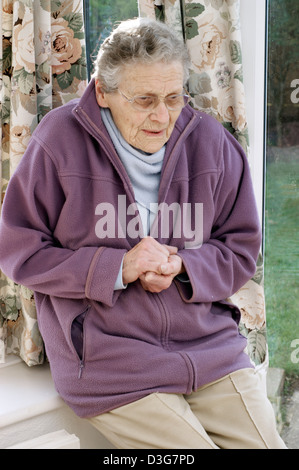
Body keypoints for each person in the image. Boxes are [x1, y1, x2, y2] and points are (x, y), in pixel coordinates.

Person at [0, 18, 286, 449]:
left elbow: (240, 247)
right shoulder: (58, 141)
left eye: (173, 98)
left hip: (208, 348)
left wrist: (184, 265)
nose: (162, 116)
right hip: (112, 360)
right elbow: (19, 251)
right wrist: (119, 267)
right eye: (145, 100)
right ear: (103, 92)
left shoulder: (211, 142)